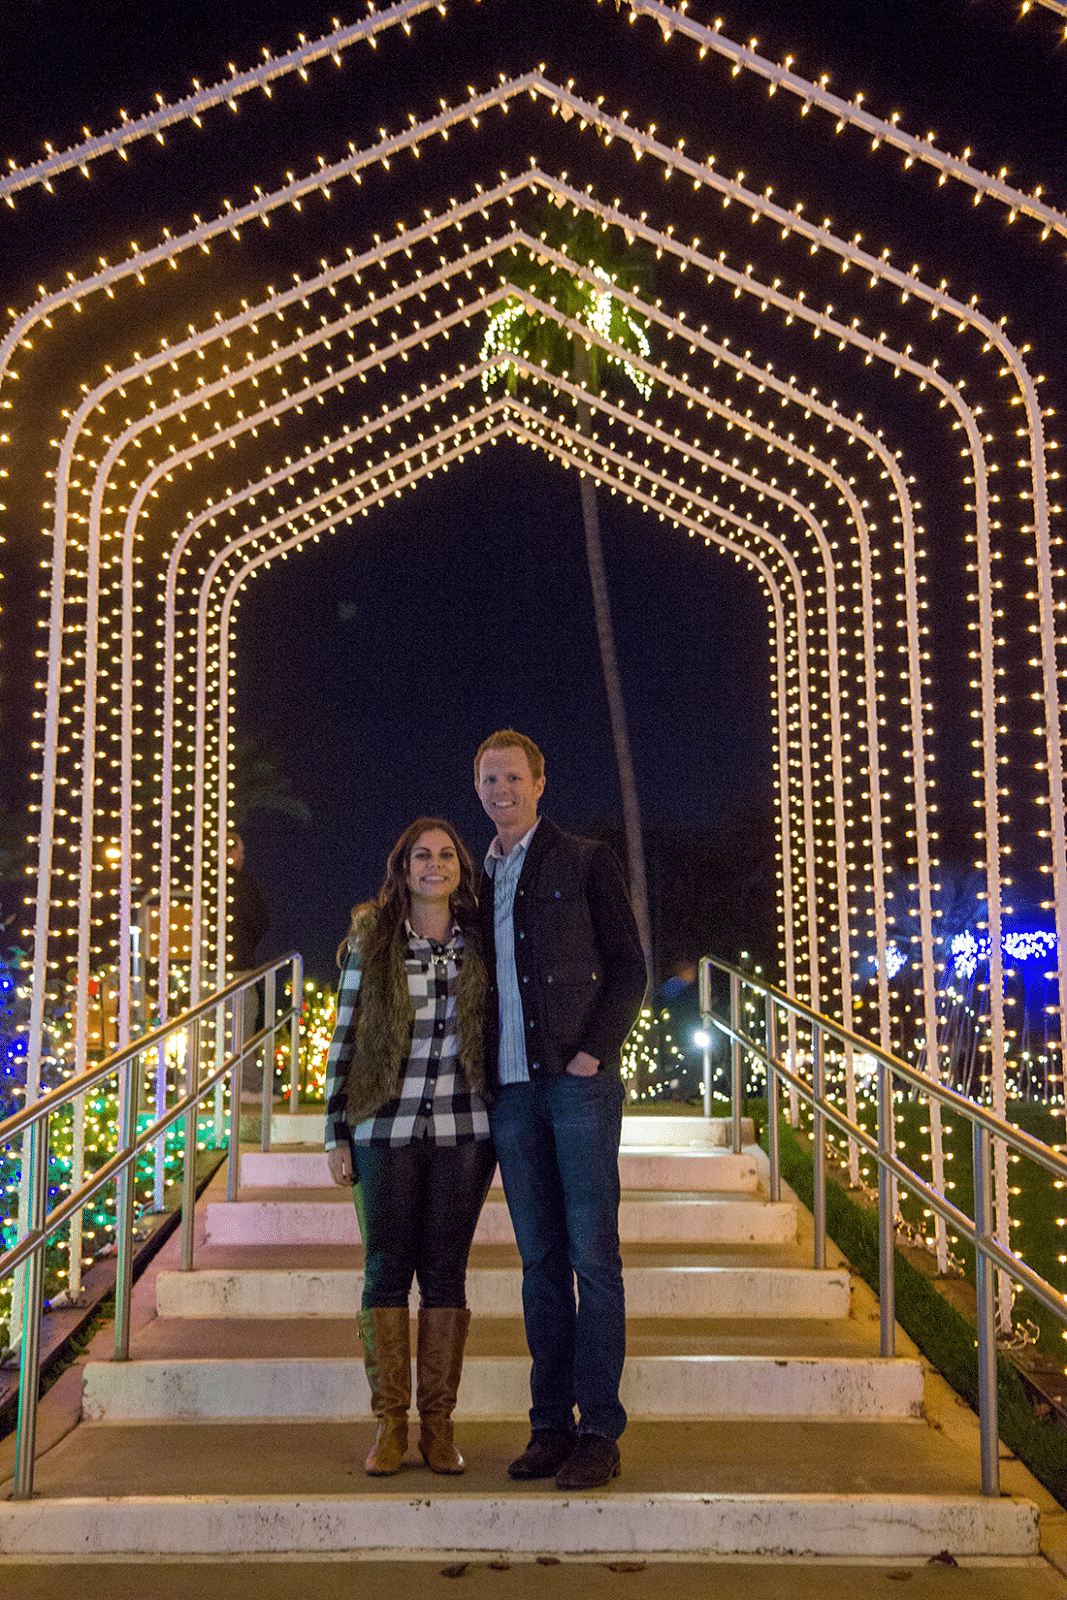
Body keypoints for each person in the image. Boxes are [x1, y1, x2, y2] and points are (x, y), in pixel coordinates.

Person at [474, 730, 647, 1491]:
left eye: (513, 776)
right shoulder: (476, 877)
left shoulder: (583, 860)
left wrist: (591, 1056)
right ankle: (549, 1425)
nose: (500, 788)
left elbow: (629, 969)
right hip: (510, 1094)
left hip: (575, 1086)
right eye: (488, 778)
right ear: (475, 786)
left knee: (591, 1259)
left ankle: (598, 1429)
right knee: (539, 1264)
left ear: (540, 783)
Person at [323, 818, 495, 1478]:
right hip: (382, 1129)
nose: (434, 864)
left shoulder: (478, 940)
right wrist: (336, 1131)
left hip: (463, 1131)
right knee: (386, 1270)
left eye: (445, 854)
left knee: (445, 1273)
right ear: (402, 867)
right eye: (421, 854)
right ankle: (390, 1426)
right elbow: (344, 1037)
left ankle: (438, 1427)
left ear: (459, 867)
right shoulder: (374, 939)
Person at [227, 832, 269, 1101]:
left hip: (206, 965)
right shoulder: (241, 883)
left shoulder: (201, 882)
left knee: (205, 1027)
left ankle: (189, 1083)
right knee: (243, 1027)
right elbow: (259, 919)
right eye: (240, 852)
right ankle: (247, 1086)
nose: (243, 857)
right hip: (238, 963)